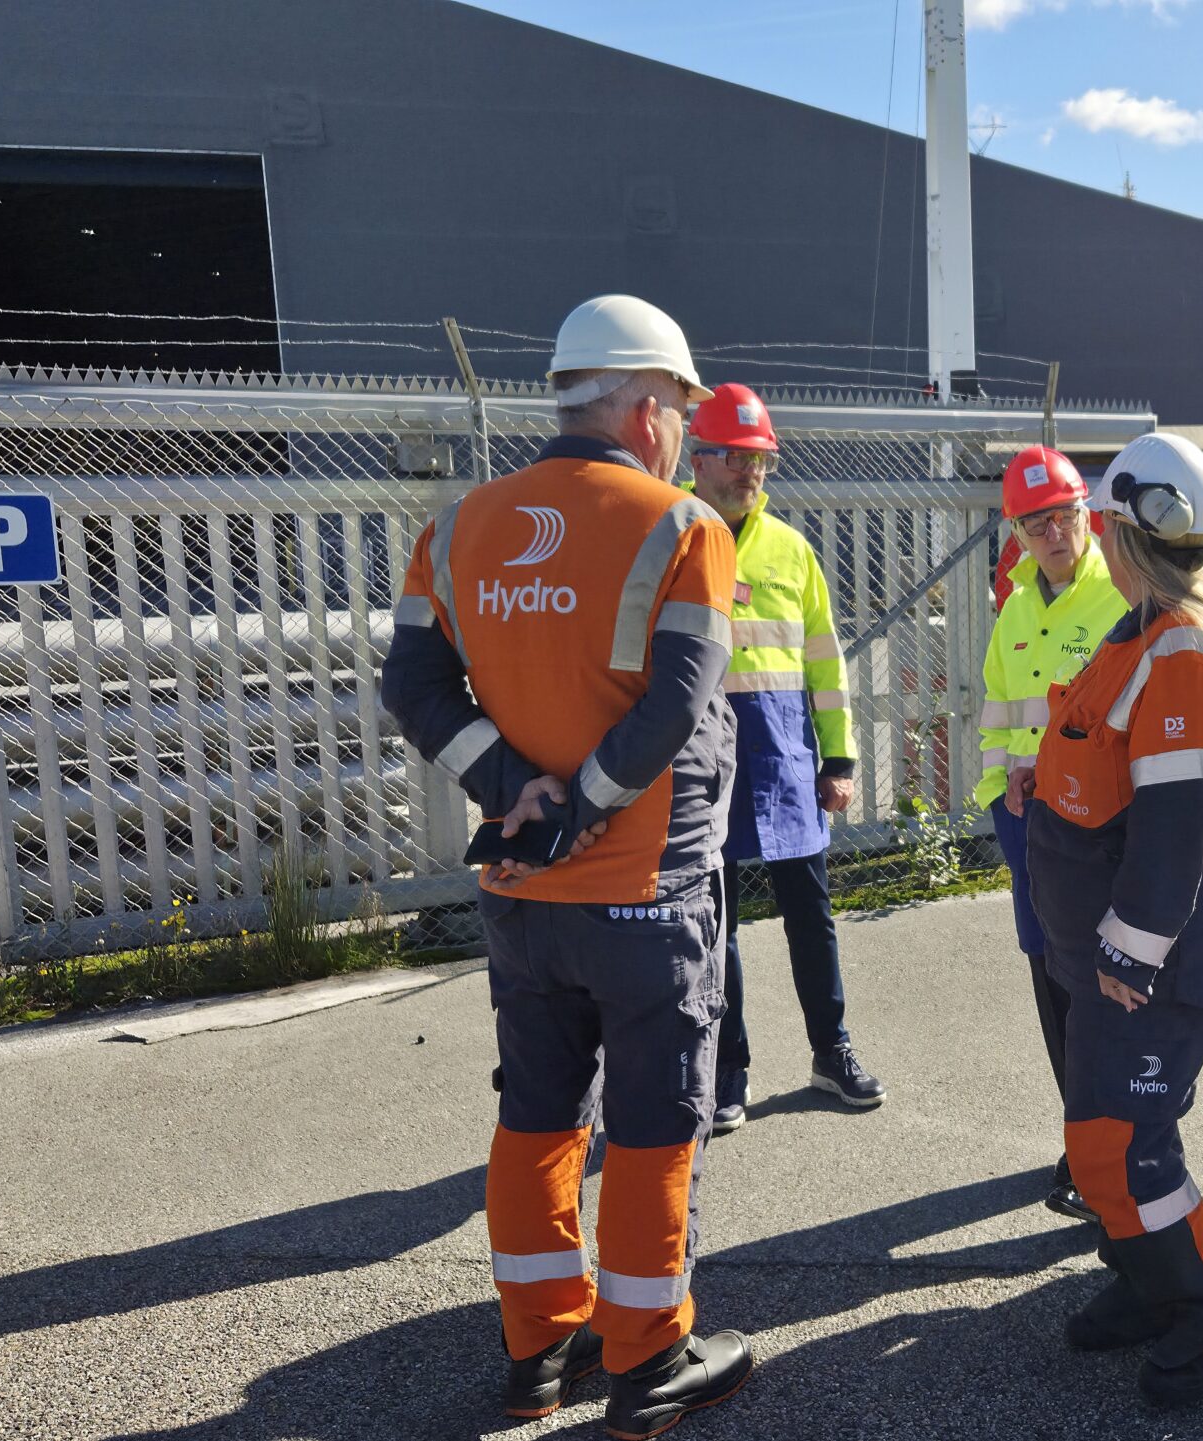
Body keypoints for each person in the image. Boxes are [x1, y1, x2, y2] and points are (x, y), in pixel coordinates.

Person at [379, 294, 754, 1435]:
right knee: (653, 1122)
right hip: (644, 890)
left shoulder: (455, 529)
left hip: (520, 896)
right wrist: (583, 805)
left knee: (537, 1113)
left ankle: (537, 1348)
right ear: (644, 406)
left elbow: (413, 685)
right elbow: (675, 704)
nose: (683, 429)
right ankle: (646, 1361)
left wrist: (513, 791)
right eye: (681, 409)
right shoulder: (684, 525)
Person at [1007, 432, 1203, 1407]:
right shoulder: (1145, 633)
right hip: (1107, 958)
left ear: (1125, 534)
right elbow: (1113, 763)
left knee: (1124, 1146)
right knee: (1100, 1141)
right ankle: (1143, 1281)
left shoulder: (1188, 655)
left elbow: (1173, 829)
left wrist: (1129, 949)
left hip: (1146, 963)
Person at [685, 382, 887, 1132]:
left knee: (812, 910)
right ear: (696, 458)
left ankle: (830, 1049)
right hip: (700, 762)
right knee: (717, 919)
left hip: (783, 756)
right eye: (735, 458)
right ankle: (728, 1069)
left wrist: (840, 760)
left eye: (759, 460)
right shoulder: (670, 534)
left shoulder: (792, 550)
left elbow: (825, 666)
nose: (748, 474)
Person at [975, 444, 1130, 1224]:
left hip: (1097, 829)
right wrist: (1001, 791)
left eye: (1064, 516)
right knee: (1053, 985)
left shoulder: (1120, 600)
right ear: (1019, 531)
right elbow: (999, 709)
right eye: (1036, 523)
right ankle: (1083, 1139)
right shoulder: (1016, 608)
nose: (1054, 534)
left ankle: (1108, 1149)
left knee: (1099, 988)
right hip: (1028, 825)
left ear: (1087, 517)